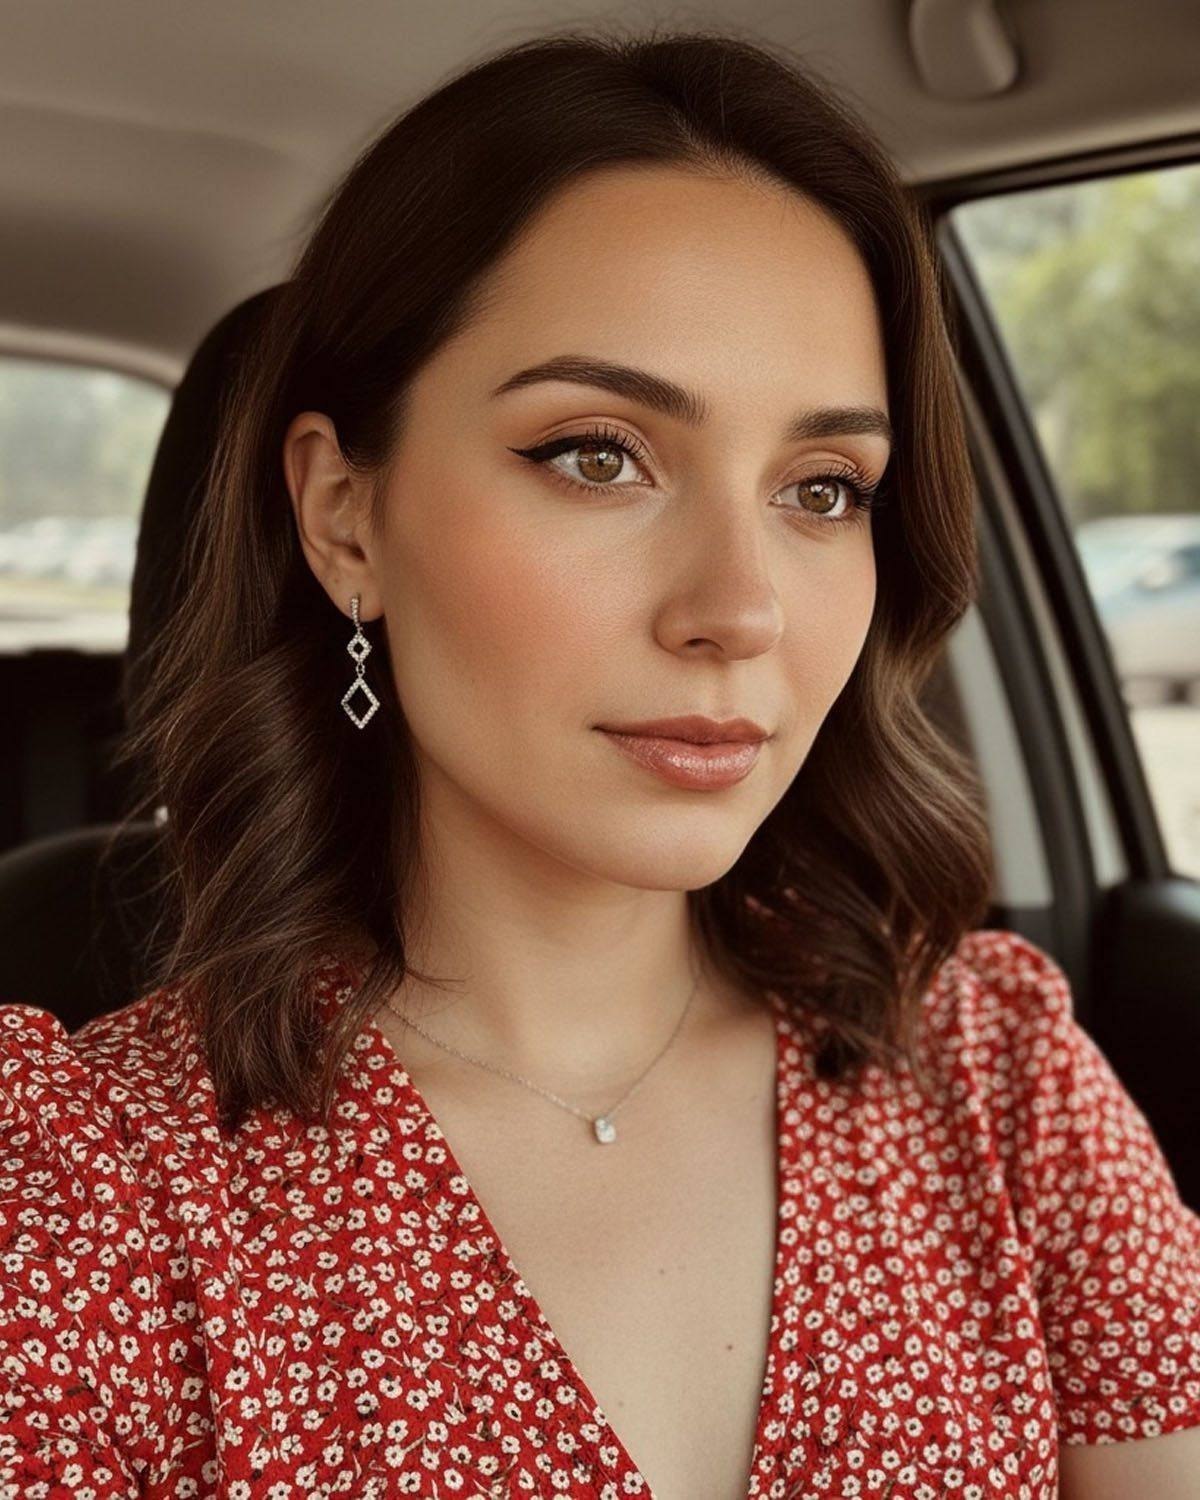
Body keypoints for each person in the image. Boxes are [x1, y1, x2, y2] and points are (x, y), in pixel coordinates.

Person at [2, 25, 1199, 1500]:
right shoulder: (86, 1201)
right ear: (344, 516)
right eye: (597, 455)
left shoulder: (996, 1083)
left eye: (824, 489)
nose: (740, 611)